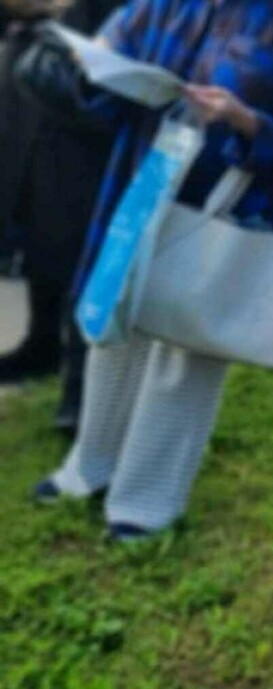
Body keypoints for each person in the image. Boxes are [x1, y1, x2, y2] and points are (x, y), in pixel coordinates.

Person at [25, 0, 273, 541]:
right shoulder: (160, 6)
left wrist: (242, 120)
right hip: (140, 193)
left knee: (182, 361)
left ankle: (144, 507)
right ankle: (88, 470)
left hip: (217, 213)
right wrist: (91, 66)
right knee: (112, 338)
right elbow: (101, 98)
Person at [0, 0, 124, 433]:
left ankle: (79, 388)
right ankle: (41, 346)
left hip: (88, 117)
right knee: (36, 229)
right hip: (32, 107)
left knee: (80, 252)